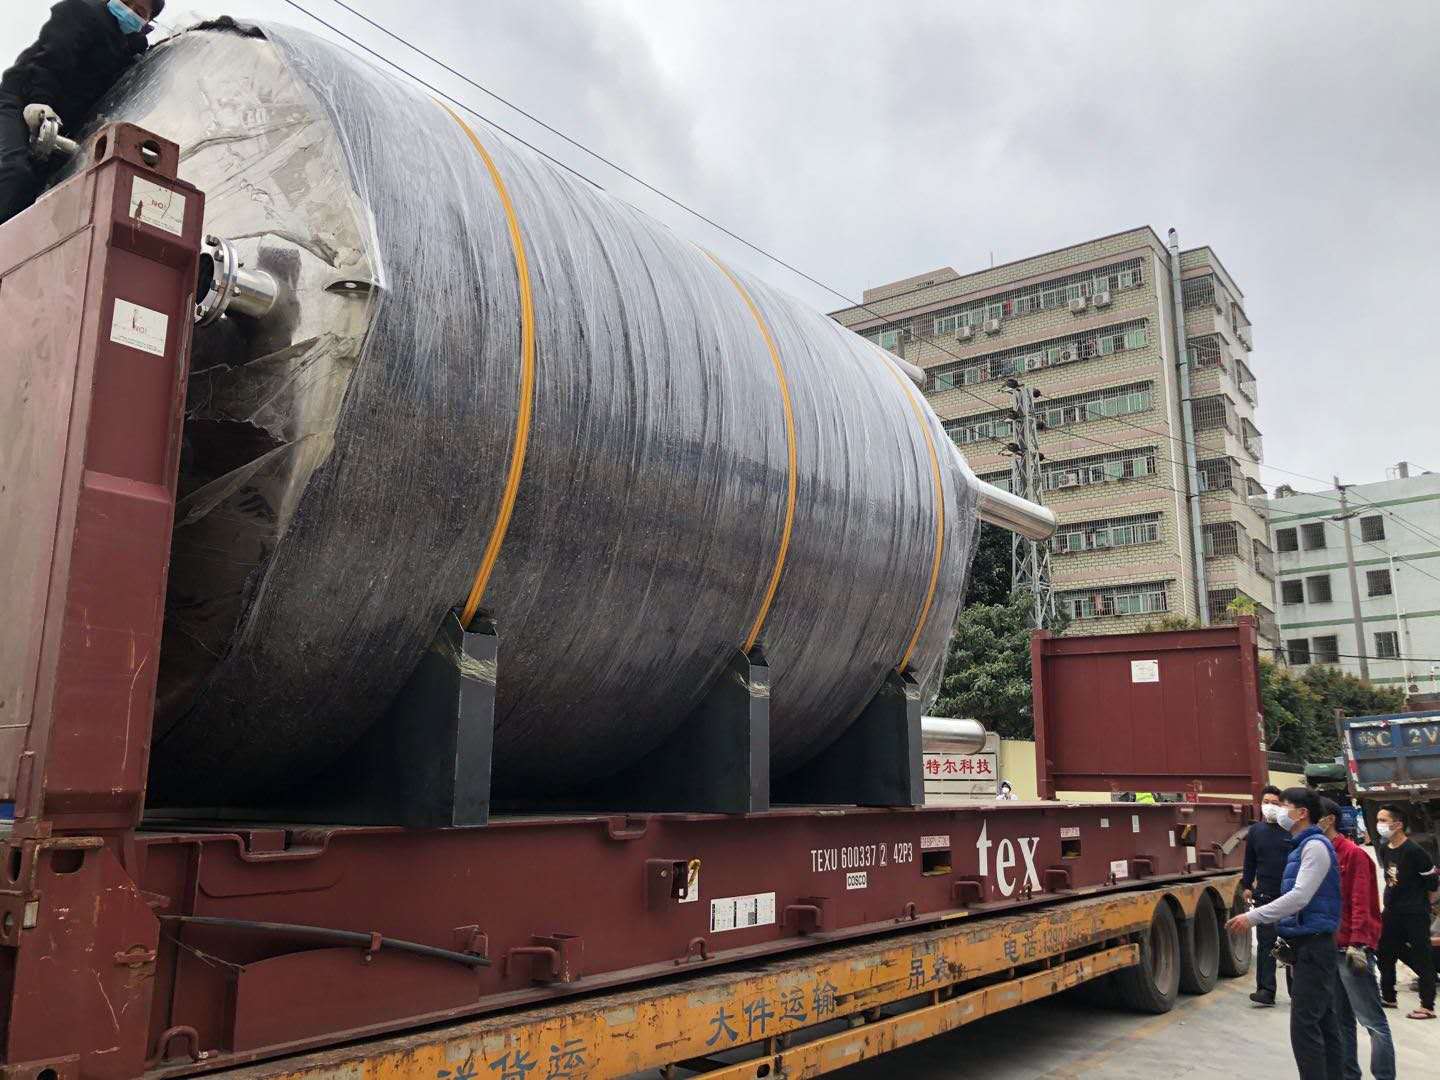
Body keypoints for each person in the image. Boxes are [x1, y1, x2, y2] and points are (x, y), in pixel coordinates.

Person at [0, 0, 161, 226]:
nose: (129, 12)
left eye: (140, 12)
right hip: (22, 101)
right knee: (15, 171)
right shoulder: (80, 12)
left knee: (40, 195)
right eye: (126, 2)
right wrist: (39, 101)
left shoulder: (132, 48)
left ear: (147, 22)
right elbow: (51, 59)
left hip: (62, 126)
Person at [1226, 787, 1343, 1080]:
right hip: (1307, 945)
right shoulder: (1301, 845)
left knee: (1305, 1026)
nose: (1277, 811)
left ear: (1301, 813)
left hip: (1315, 946)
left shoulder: (1314, 847)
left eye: (1283, 805)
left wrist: (1252, 917)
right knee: (1323, 1022)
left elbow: (1300, 896)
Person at [1317, 797, 1394, 1080]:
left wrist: (1358, 944)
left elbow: (1362, 902)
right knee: (1340, 1021)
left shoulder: (1353, 854)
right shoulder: (1318, 853)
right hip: (1330, 947)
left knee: (1372, 1021)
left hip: (1351, 949)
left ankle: (1384, 1076)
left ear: (1329, 820)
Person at [1375, 804, 1438, 1020]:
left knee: (1422, 956)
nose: (1379, 824)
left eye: (1383, 820)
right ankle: (1388, 996)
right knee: (1385, 953)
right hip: (1392, 911)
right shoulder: (1385, 848)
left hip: (1414, 913)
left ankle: (1427, 1005)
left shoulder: (1415, 851)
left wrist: (1422, 904)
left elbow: (1432, 883)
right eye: (1378, 820)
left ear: (1398, 824)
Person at [1241, 784, 1293, 1006]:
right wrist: (1247, 885)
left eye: (1275, 803)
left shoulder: (1290, 830)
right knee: (1266, 944)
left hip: (1290, 896)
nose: (1270, 806)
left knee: (1291, 944)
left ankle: (1296, 991)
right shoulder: (1255, 831)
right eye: (1266, 802)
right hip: (1265, 895)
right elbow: (1249, 861)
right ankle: (1265, 990)